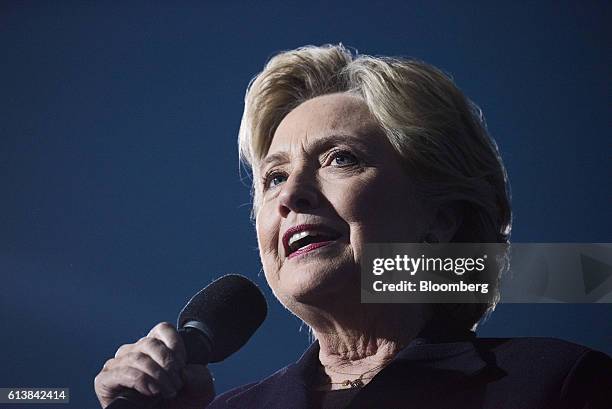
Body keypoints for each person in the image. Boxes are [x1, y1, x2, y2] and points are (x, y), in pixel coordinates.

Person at [94, 44, 612, 409]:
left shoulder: (556, 383)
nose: (290, 195)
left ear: (440, 216)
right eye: (273, 177)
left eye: (339, 159)